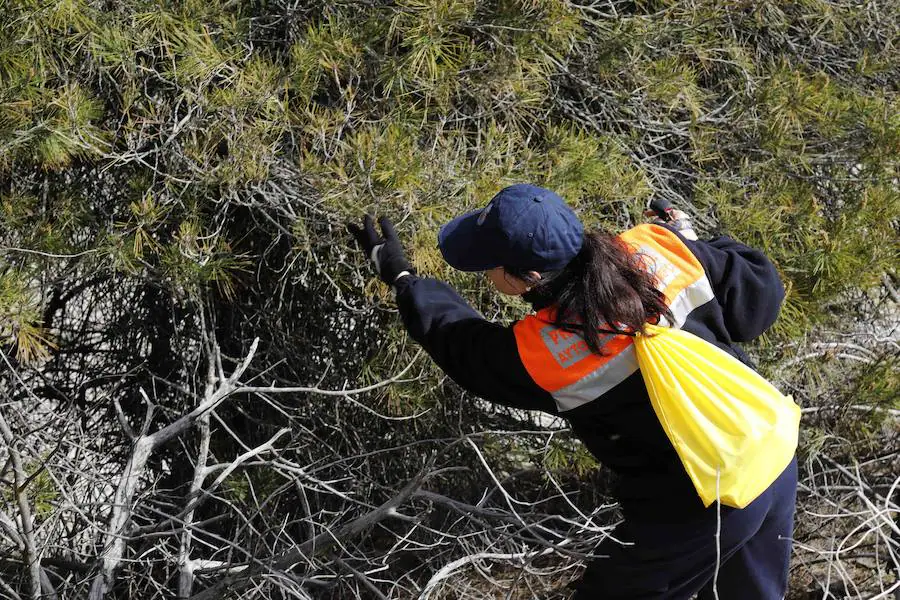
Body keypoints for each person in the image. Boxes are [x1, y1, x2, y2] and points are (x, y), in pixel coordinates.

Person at [348, 183, 797, 599]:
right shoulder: (653, 246)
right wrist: (690, 239)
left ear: (527, 279)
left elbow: (463, 344)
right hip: (770, 446)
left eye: (490, 266)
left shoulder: (545, 352)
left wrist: (404, 279)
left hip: (707, 502)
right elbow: (759, 296)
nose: (486, 276)